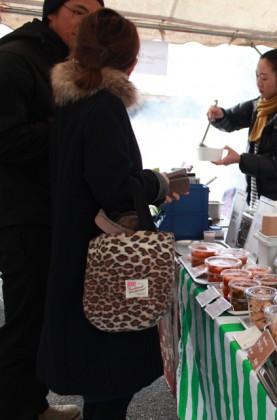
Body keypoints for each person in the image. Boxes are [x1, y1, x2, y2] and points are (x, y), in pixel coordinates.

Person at [37, 8, 178, 420]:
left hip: (74, 248)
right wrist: (156, 183)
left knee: (98, 378)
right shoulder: (103, 107)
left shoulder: (70, 102)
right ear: (131, 61)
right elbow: (115, 188)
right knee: (108, 381)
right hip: (104, 262)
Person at [0, 1, 103, 419]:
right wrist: (68, 132)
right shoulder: (14, 58)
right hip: (21, 214)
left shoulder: (61, 62)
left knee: (40, 317)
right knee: (24, 322)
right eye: (77, 10)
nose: (84, 23)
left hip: (49, 213)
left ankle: (31, 404)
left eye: (93, 16)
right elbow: (5, 139)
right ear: (51, 14)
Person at [207, 49, 277, 212]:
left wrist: (241, 160)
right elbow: (232, 118)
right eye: (257, 76)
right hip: (262, 200)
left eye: (264, 77)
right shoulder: (260, 105)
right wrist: (220, 115)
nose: (259, 82)